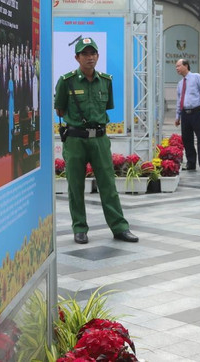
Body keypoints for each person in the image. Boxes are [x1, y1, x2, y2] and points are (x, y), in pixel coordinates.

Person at [54, 37, 138, 245]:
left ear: (98, 56)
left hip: (100, 139)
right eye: (85, 54)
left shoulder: (106, 81)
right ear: (77, 58)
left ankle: (119, 227)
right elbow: (60, 110)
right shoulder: (66, 81)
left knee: (108, 184)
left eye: (93, 53)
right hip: (75, 140)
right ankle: (80, 228)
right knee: (75, 186)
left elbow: (107, 107)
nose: (89, 57)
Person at [174, 58, 200, 172]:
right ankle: (191, 162)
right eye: (176, 67)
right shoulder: (180, 84)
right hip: (185, 113)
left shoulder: (196, 77)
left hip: (197, 112)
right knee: (187, 139)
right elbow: (179, 100)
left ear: (186, 66)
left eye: (178, 66)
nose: (177, 69)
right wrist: (177, 116)